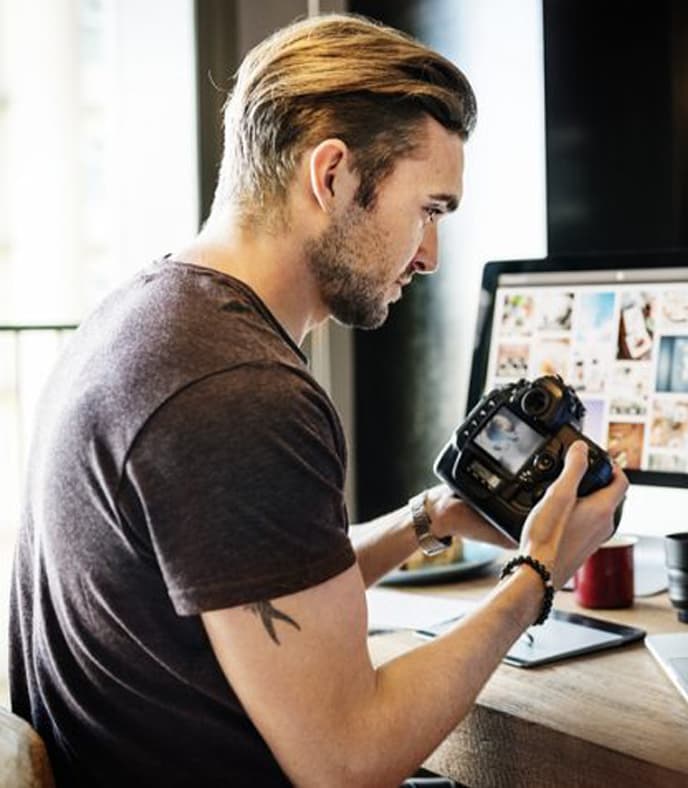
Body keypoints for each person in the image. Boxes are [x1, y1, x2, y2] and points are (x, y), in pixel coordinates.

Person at [7, 13, 628, 786]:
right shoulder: (240, 393)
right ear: (331, 176)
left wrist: (426, 519)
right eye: (429, 211)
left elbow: (259, 585)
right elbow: (348, 762)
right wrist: (539, 570)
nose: (430, 254)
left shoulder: (150, 317)